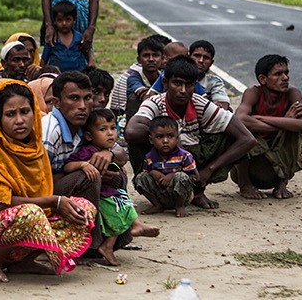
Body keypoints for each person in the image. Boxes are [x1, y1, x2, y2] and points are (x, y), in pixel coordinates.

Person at [0, 80, 95, 283]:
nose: (19, 120)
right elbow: (3, 205)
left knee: (83, 209)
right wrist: (54, 201)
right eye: (10, 114)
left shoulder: (35, 146)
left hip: (18, 231)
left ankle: (24, 262)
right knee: (31, 212)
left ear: (34, 112)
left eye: (25, 112)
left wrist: (58, 203)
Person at [124, 55, 256, 211]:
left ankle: (197, 191)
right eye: (177, 83)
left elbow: (248, 139)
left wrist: (209, 170)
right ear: (165, 83)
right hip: (161, 163)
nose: (183, 91)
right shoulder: (155, 103)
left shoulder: (200, 104)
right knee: (136, 141)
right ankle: (156, 194)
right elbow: (131, 131)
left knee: (227, 134)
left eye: (189, 85)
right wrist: (174, 143)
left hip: (192, 161)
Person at [41, 71, 136, 260]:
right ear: (57, 103)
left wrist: (107, 154)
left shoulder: (85, 121)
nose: (82, 106)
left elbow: (121, 154)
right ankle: (90, 243)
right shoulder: (50, 132)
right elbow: (38, 182)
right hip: (45, 194)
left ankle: (115, 235)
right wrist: (87, 168)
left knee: (117, 173)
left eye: (87, 98)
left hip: (64, 185)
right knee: (88, 176)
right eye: (74, 99)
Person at [64, 108, 157, 265]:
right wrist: (83, 165)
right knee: (117, 210)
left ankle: (134, 225)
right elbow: (67, 166)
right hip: (98, 195)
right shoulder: (88, 152)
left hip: (109, 192)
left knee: (124, 200)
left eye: (113, 128)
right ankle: (108, 245)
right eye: (103, 129)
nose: (110, 133)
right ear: (88, 135)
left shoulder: (108, 151)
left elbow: (122, 157)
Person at [233, 54, 302, 200]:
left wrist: (261, 118)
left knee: (298, 130)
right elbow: (240, 119)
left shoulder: (293, 94)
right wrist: (284, 123)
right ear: (263, 79)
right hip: (253, 164)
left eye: (286, 73)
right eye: (278, 74)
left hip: (278, 164)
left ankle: (282, 183)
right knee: (240, 132)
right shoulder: (253, 92)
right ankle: (245, 185)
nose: (285, 78)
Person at [133, 116, 199, 218]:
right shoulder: (149, 157)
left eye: (170, 136)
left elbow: (195, 177)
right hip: (160, 194)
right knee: (140, 178)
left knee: (181, 177)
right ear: (151, 140)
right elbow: (145, 173)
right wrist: (152, 172)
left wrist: (172, 176)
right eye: (159, 137)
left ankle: (179, 206)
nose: (165, 141)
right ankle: (157, 205)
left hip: (181, 196)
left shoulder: (184, 156)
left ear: (177, 138)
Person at [122, 35, 169, 118]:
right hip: (138, 117)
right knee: (134, 98)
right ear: (139, 60)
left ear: (162, 58)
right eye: (146, 55)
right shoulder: (134, 77)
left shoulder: (164, 76)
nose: (151, 59)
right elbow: (144, 95)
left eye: (155, 55)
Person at [42, 0, 91, 72]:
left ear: (74, 19)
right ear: (54, 21)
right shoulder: (52, 39)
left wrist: (91, 64)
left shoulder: (79, 37)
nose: (64, 23)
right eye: (60, 20)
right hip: (57, 77)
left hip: (77, 75)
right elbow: (44, 59)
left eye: (68, 20)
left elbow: (88, 51)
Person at [189, 40, 232, 109]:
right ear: (189, 57)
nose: (201, 61)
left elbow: (223, 108)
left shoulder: (214, 82)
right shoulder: (177, 76)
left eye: (206, 58)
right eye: (197, 56)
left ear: (211, 63)